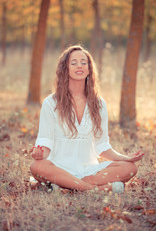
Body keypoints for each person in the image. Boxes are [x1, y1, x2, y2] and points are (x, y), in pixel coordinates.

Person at [30, 45, 144, 193]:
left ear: (89, 69)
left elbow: (102, 146)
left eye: (84, 62)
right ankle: (94, 190)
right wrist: (39, 154)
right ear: (65, 68)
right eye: (74, 63)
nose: (80, 66)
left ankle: (66, 186)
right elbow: (45, 143)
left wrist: (125, 158)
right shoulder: (50, 103)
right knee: (36, 166)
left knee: (129, 168)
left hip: (89, 171)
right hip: (58, 168)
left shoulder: (99, 104)